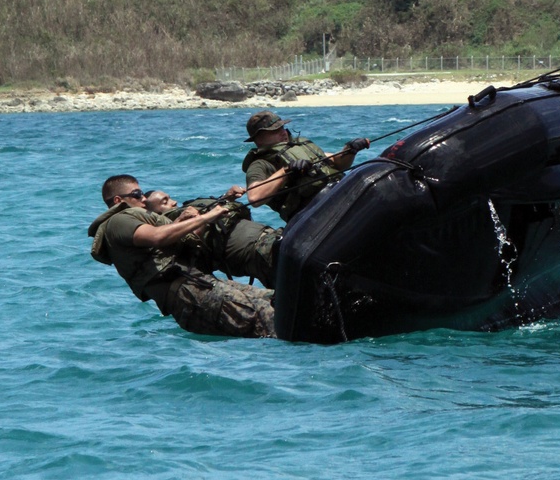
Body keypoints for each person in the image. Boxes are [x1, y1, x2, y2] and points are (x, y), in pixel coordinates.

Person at [88, 174, 276, 337]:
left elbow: (178, 243)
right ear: (118, 201)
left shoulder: (136, 220)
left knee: (275, 299)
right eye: (137, 194)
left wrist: (200, 214)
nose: (144, 199)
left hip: (198, 285)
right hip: (190, 294)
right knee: (270, 319)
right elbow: (158, 236)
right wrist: (206, 217)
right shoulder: (118, 220)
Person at [239, 111, 370, 221]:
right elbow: (254, 197)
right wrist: (286, 171)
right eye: (275, 130)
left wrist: (350, 150)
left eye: (282, 128)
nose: (283, 132)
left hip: (339, 195)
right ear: (259, 139)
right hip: (312, 216)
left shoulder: (299, 146)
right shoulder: (260, 163)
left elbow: (337, 162)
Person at [143, 187, 281, 289]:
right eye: (164, 202)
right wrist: (202, 219)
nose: (173, 202)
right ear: (155, 214)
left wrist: (227, 198)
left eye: (170, 197)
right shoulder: (175, 224)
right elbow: (193, 246)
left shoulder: (188, 211)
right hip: (259, 252)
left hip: (269, 239)